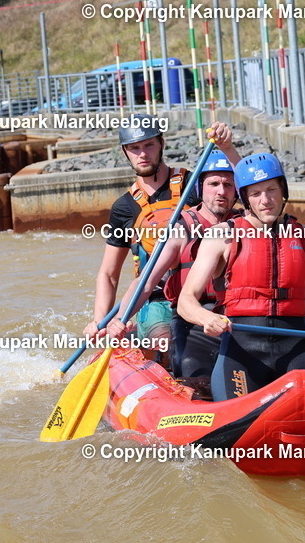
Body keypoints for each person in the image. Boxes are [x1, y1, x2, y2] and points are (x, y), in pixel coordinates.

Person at [178, 153, 305, 401]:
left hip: (295, 346)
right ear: (245, 199)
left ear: (282, 190)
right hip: (242, 351)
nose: (265, 200)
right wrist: (206, 317)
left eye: (271, 190)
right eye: (256, 194)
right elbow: (185, 301)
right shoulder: (221, 236)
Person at [84, 114, 240, 366]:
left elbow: (246, 186)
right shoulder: (123, 208)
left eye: (149, 145)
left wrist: (227, 148)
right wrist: (102, 321)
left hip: (209, 292)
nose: (142, 153)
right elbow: (109, 274)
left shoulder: (195, 184)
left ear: (161, 144)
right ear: (125, 152)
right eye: (134, 148)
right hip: (154, 295)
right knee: (164, 342)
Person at [107, 148, 242, 383]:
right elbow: (146, 281)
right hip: (192, 319)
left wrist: (228, 146)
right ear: (200, 188)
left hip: (235, 319)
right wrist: (120, 319)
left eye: (228, 185)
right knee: (191, 372)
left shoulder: (246, 224)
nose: (221, 192)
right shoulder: (180, 230)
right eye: (213, 184)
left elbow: (259, 185)